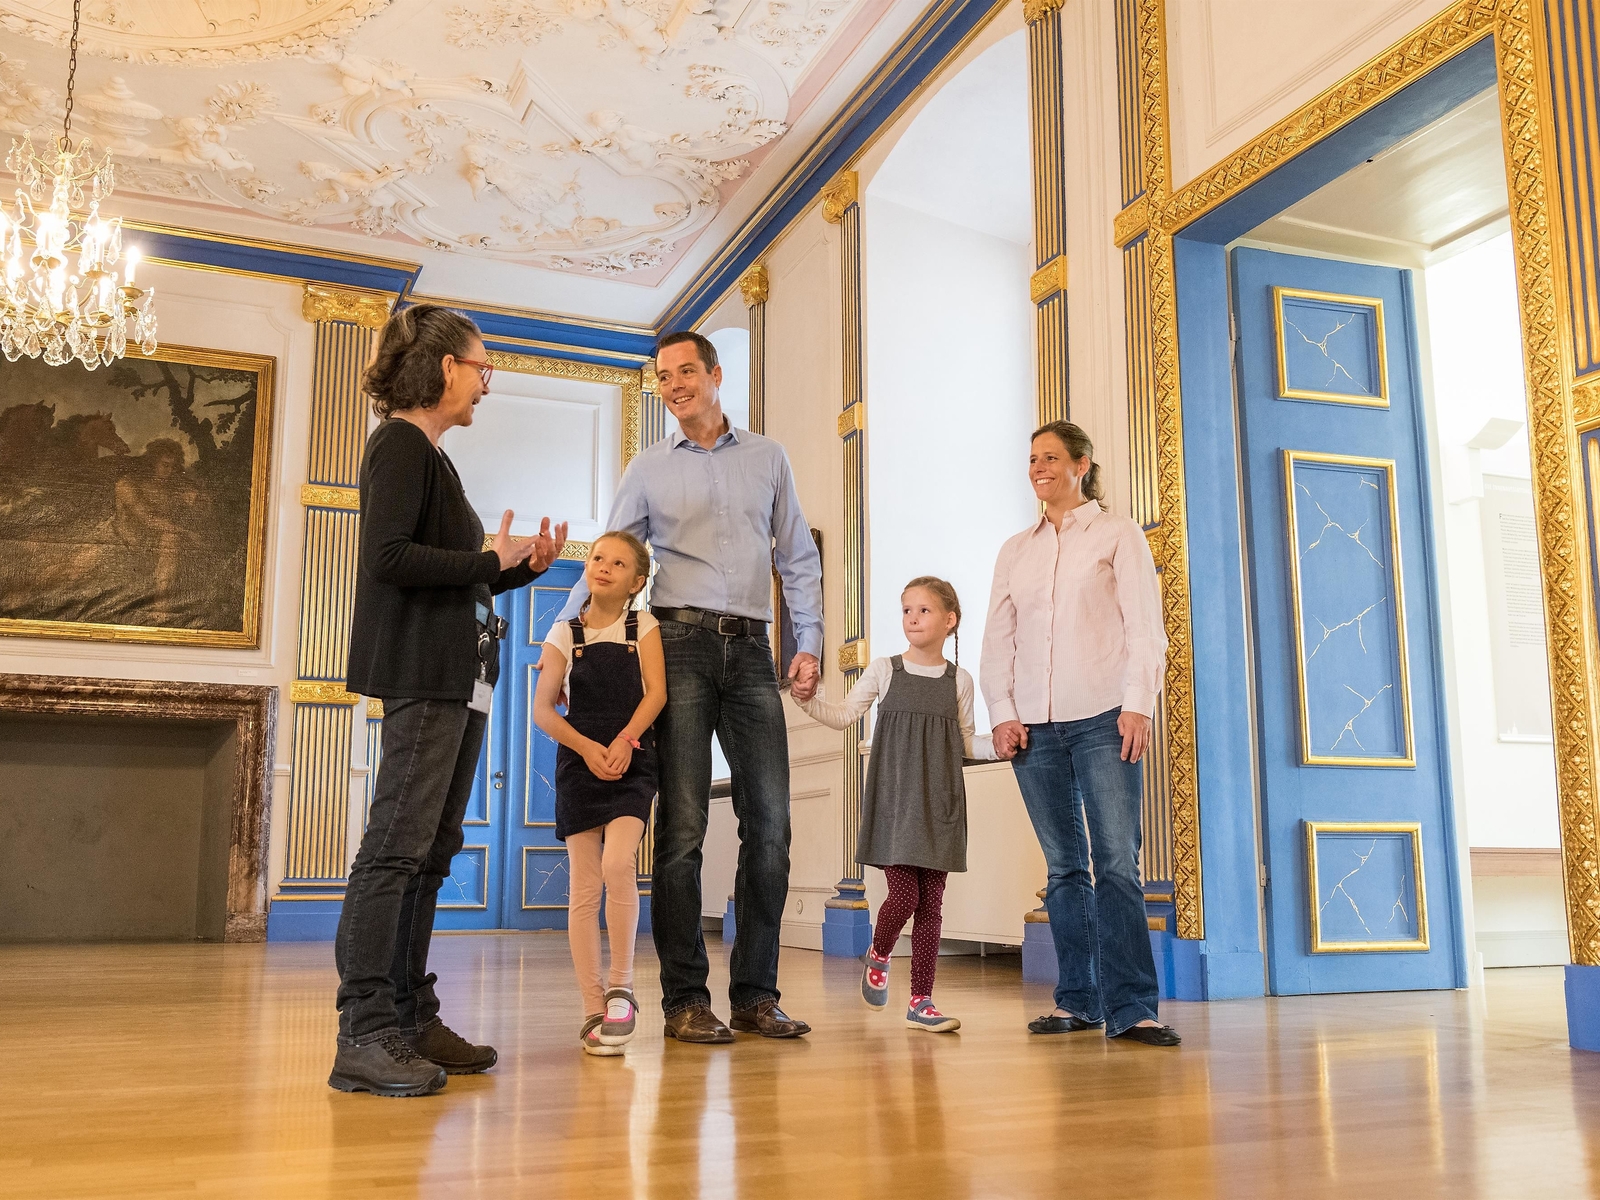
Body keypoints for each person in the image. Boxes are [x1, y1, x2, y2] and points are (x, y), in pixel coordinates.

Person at [556, 330, 823, 1044]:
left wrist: (809, 643)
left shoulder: (769, 458)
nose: (673, 385)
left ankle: (756, 995)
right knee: (682, 828)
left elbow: (798, 558)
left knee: (771, 826)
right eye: (663, 377)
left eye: (685, 372)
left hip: (754, 651)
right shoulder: (648, 467)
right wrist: (568, 640)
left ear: (715, 374)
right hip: (676, 646)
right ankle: (684, 1001)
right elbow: (608, 559)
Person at [332, 304, 568, 1097]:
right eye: (481, 367)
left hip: (460, 676)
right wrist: (486, 560)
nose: (485, 383)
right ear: (444, 368)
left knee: (431, 853)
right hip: (424, 674)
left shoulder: (433, 457)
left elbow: (454, 576)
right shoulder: (400, 443)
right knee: (395, 849)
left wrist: (518, 570)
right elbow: (390, 557)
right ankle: (364, 1032)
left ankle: (409, 1015)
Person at [981, 420, 1180, 1047]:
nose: (1038, 468)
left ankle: (1133, 1008)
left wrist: (1138, 704)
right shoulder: (1015, 550)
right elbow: (998, 638)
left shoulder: (1119, 535)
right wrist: (1002, 711)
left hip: (1103, 716)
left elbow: (1145, 626)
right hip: (1033, 727)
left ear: (1081, 465)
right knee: (1064, 868)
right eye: (1032, 459)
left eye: (1050, 457)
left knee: (1116, 863)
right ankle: (1078, 1001)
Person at [798, 576, 994, 1033]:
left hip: (941, 804)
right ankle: (880, 952)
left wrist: (1001, 745)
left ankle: (921, 1001)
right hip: (896, 803)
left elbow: (966, 742)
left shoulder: (959, 681)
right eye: (907, 610)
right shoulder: (885, 670)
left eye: (924, 610)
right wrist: (808, 701)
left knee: (932, 905)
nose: (912, 618)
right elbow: (844, 715)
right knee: (905, 896)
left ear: (950, 620)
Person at [534, 531, 665, 1057]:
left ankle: (621, 989)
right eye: (597, 558)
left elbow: (657, 694)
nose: (603, 567)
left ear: (637, 581)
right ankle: (592, 1005)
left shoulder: (643, 626)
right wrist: (588, 749)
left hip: (632, 761)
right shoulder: (562, 633)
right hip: (579, 765)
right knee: (585, 888)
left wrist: (625, 741)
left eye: (618, 563)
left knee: (618, 864)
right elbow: (543, 711)